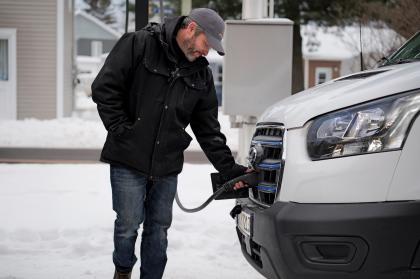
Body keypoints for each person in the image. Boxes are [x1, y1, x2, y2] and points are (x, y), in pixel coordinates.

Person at [92, 8, 248, 279]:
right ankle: (123, 270)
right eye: (206, 43)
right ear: (190, 29)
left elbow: (208, 129)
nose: (207, 52)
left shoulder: (201, 75)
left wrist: (228, 169)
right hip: (128, 158)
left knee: (159, 228)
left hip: (167, 166)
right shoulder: (139, 44)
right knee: (128, 225)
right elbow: (104, 88)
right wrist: (121, 130)